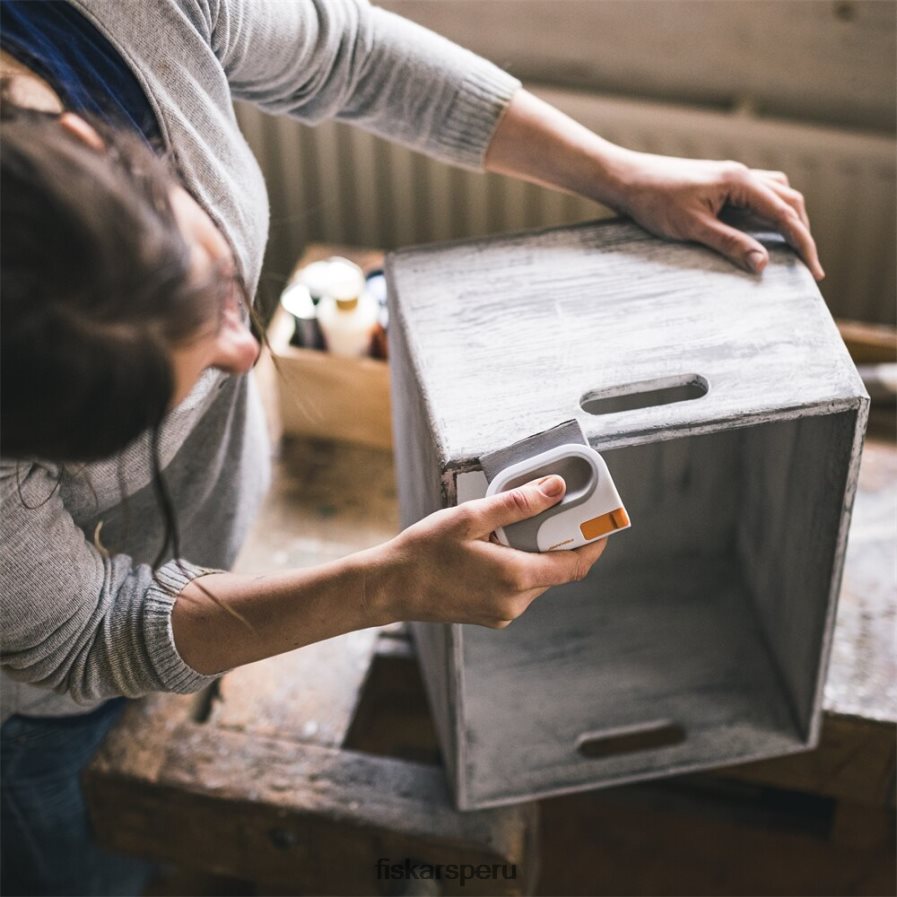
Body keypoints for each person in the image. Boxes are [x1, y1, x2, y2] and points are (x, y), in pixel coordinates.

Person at [0, 1, 822, 893]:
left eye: (223, 291)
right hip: (43, 718)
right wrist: (384, 585)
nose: (245, 355)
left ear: (87, 138)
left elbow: (349, 55)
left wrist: (619, 172)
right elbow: (85, 631)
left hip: (204, 565)